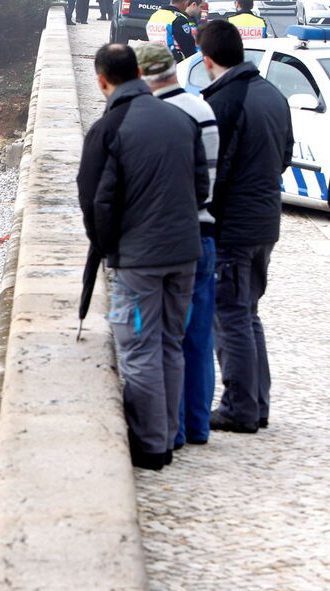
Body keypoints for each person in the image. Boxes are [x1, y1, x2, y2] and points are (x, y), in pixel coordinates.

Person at [77, 43, 208, 470]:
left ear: (102, 80)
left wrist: (110, 246)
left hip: (139, 262)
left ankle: (151, 447)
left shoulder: (109, 127)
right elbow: (201, 190)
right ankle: (168, 437)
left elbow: (94, 200)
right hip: (185, 254)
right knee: (171, 342)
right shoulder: (180, 119)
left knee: (138, 348)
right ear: (138, 72)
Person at [196, 20, 293, 433]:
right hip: (265, 222)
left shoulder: (225, 102)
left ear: (207, 58)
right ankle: (257, 403)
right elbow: (285, 154)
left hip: (233, 226)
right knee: (247, 313)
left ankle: (240, 408)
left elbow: (213, 172)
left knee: (231, 315)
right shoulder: (272, 94)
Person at [136, 43, 219, 448]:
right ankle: (198, 425)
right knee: (198, 340)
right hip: (205, 235)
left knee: (161, 339)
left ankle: (174, 431)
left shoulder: (158, 117)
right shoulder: (203, 108)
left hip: (168, 241)